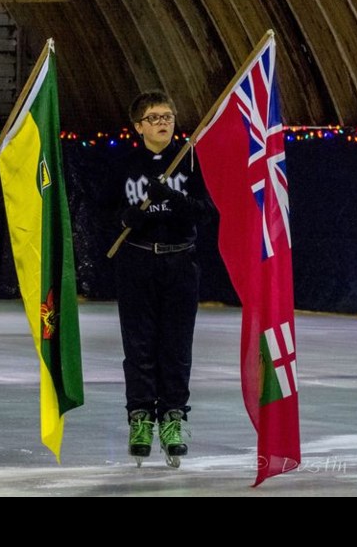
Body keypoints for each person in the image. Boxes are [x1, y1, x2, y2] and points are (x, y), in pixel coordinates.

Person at [111, 91, 214, 468]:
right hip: (137, 263)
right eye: (154, 117)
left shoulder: (190, 161)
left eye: (168, 116)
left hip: (179, 263)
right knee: (139, 346)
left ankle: (172, 417)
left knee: (175, 346)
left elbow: (206, 211)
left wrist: (173, 198)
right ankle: (140, 418)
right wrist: (127, 219)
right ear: (138, 126)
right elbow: (106, 211)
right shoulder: (124, 163)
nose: (163, 122)